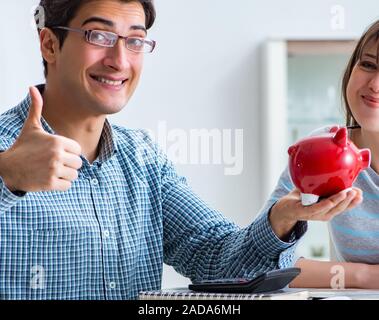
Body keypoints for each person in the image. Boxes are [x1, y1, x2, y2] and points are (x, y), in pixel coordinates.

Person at [0, 0, 360, 300]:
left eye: (135, 41)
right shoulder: (6, 150)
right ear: (49, 44)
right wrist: (6, 176)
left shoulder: (143, 158)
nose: (119, 60)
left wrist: (281, 220)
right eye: (100, 35)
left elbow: (219, 260)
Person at [258, 19, 379, 289]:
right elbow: (261, 261)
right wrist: (366, 276)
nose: (374, 84)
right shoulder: (322, 152)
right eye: (368, 65)